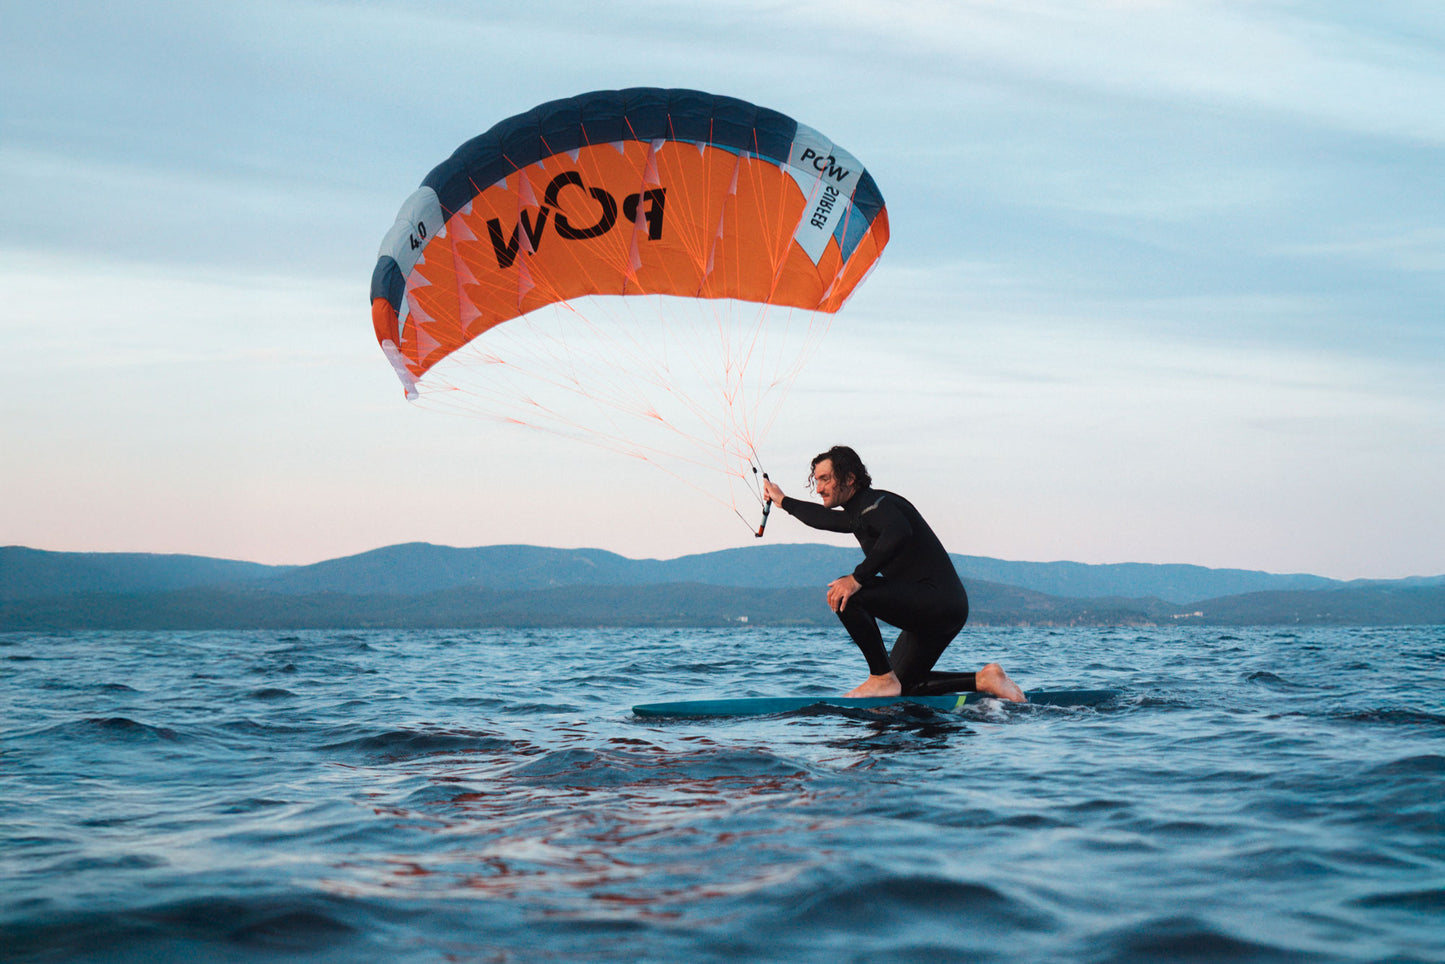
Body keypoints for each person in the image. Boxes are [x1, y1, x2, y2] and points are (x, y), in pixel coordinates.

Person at [762, 446, 1025, 701]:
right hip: (940, 608)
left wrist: (857, 578)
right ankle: (984, 680)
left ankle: (880, 678)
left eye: (825, 479)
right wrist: (782, 500)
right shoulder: (861, 512)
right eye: (816, 480)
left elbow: (899, 532)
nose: (818, 488)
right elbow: (821, 518)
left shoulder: (876, 503)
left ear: (850, 478)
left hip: (937, 600)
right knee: (903, 687)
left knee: (847, 595)